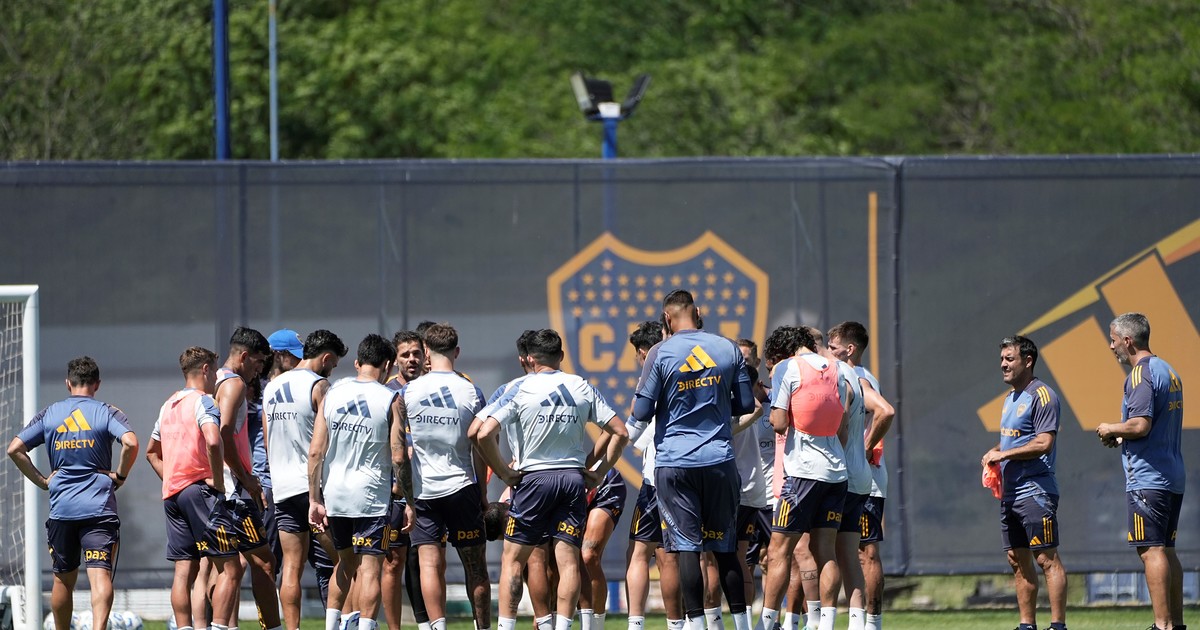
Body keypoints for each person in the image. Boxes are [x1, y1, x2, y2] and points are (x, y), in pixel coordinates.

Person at [471, 329, 629, 630]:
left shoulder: (520, 387)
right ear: (561, 356)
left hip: (534, 480)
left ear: (530, 359)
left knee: (514, 560)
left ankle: (506, 627)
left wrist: (503, 471)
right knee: (568, 560)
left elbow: (482, 433)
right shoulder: (580, 385)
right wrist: (598, 472)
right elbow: (620, 432)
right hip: (572, 480)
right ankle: (563, 626)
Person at [628, 290, 756, 630]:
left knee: (687, 549)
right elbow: (746, 403)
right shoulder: (727, 347)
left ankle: (696, 626)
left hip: (675, 463)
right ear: (697, 312)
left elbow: (641, 412)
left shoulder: (660, 352)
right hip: (719, 460)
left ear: (666, 318)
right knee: (726, 550)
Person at [7, 357, 138, 630]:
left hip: (62, 509)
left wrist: (43, 481)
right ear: (97, 384)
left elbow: (14, 449)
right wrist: (120, 475)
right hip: (99, 508)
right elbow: (130, 442)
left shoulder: (50, 413)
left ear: (68, 383)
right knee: (100, 576)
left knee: (63, 580)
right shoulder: (107, 412)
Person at [309, 334, 414, 630]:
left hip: (336, 495)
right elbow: (398, 457)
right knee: (370, 569)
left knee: (344, 565)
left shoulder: (331, 395)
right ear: (388, 365)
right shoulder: (391, 399)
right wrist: (409, 500)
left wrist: (314, 499)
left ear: (357, 363)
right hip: (371, 497)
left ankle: (332, 626)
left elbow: (315, 451)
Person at [1096, 313, 1185, 630]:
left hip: (1148, 479)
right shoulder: (1168, 371)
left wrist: (1111, 428)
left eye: (1113, 340)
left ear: (1127, 340)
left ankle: (1162, 625)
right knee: (1167, 551)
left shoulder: (1140, 374)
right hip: (1171, 476)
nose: (1111, 346)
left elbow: (1140, 425)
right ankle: (1176, 624)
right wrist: (1123, 437)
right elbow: (1153, 426)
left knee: (1151, 552)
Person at [144, 347, 242, 630]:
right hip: (200, 492)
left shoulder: (168, 405)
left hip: (173, 495)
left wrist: (172, 478)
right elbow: (213, 441)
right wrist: (218, 481)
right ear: (205, 369)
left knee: (184, 570)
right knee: (231, 568)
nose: (216, 380)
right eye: (214, 373)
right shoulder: (204, 401)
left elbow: (151, 452)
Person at [403, 323, 491, 630]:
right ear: (457, 352)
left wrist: (407, 496)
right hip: (462, 486)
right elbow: (480, 447)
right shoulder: (471, 391)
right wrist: (482, 494)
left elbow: (401, 448)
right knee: (475, 566)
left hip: (424, 490)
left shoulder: (408, 391)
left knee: (428, 563)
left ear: (426, 351)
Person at [760, 326, 847, 630]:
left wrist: (778, 412)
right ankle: (826, 623)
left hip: (801, 475)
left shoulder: (788, 367)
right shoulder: (838, 370)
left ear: (783, 351)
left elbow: (779, 423)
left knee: (778, 550)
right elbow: (842, 426)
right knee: (826, 551)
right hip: (836, 473)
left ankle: (767, 623)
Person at [978, 335, 1067, 630]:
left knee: (1046, 559)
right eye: (1002, 359)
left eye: (1009, 359)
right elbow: (1014, 442)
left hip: (1035, 491)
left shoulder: (1043, 395)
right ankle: (1027, 625)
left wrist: (1002, 454)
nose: (1003, 364)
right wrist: (995, 453)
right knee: (1016, 559)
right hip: (1012, 493)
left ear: (1028, 361)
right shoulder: (1010, 398)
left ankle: (1058, 626)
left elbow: (1043, 443)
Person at [264, 329, 347, 630]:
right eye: (333, 363)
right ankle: (340, 624)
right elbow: (327, 441)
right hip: (314, 488)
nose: (332, 370)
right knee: (345, 561)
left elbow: (267, 439)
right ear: (325, 358)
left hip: (282, 488)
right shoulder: (319, 385)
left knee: (291, 567)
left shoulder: (271, 387)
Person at [826, 322, 894, 630]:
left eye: (833, 347)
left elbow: (885, 411)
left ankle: (872, 623)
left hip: (865, 478)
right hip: (852, 477)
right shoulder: (847, 375)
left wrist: (866, 448)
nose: (828, 352)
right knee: (847, 550)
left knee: (866, 552)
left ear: (850, 349)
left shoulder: (860, 378)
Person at [213, 327, 281, 630]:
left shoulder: (213, 379)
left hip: (217, 486)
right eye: (259, 361)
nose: (260, 370)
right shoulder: (235, 383)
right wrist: (246, 478)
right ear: (244, 356)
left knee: (225, 566)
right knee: (263, 562)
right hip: (233, 489)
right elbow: (223, 433)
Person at [622, 321, 684, 630]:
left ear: (643, 353)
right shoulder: (686, 368)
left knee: (640, 551)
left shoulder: (652, 374)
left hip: (657, 475)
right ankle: (679, 624)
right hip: (687, 471)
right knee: (673, 554)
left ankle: (636, 624)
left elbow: (634, 426)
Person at [383, 329, 429, 630]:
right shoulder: (386, 393)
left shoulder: (432, 389)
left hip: (429, 489)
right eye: (405, 355)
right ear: (395, 360)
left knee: (428, 559)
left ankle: (430, 624)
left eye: (416, 353)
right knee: (393, 562)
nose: (412, 359)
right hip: (395, 492)